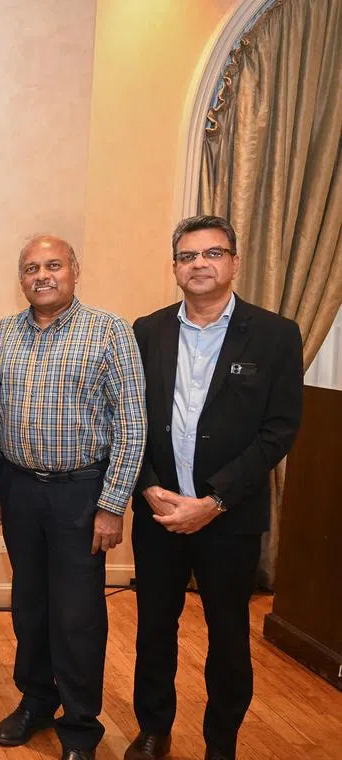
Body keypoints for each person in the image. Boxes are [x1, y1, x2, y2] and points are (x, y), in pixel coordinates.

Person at [124, 216, 303, 760]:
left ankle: (220, 742)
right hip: (158, 513)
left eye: (212, 253)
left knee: (229, 637)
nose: (199, 263)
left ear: (234, 262)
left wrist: (215, 500)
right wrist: (149, 487)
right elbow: (129, 419)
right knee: (154, 628)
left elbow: (279, 431)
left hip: (229, 519)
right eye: (187, 256)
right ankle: (154, 728)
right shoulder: (147, 330)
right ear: (175, 266)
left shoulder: (275, 334)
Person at [0, 235, 147, 760]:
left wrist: (112, 503)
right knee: (29, 604)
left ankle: (79, 725)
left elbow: (132, 424)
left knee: (77, 615)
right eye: (31, 267)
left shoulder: (109, 330)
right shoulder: (3, 334)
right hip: (19, 488)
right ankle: (35, 701)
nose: (42, 275)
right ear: (20, 277)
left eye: (53, 265)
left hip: (82, 493)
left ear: (75, 271)